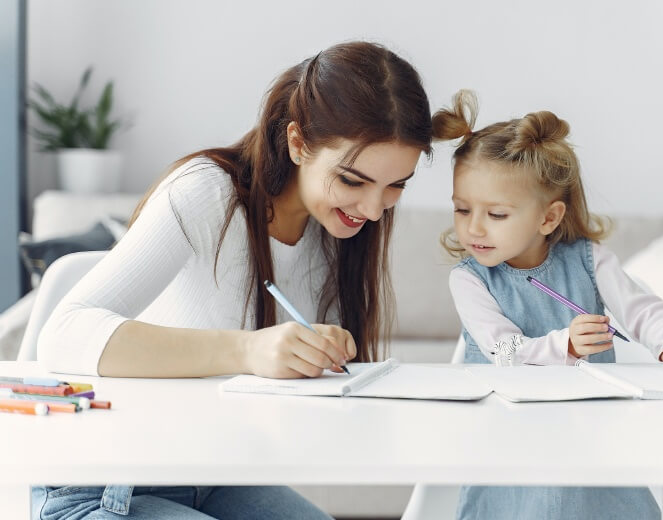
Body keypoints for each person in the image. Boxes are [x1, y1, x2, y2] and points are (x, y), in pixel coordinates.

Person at [33, 41, 433, 519]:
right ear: (298, 142)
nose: (372, 209)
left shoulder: (337, 232)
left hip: (214, 478)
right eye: (352, 180)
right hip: (103, 486)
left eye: (395, 186)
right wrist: (249, 350)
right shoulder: (207, 193)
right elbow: (63, 334)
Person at [433, 90, 663, 520]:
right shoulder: (469, 280)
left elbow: (641, 309)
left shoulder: (589, 260)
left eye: (497, 214)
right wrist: (567, 346)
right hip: (509, 437)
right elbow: (502, 351)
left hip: (590, 435)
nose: (474, 228)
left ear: (549, 217)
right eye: (462, 209)